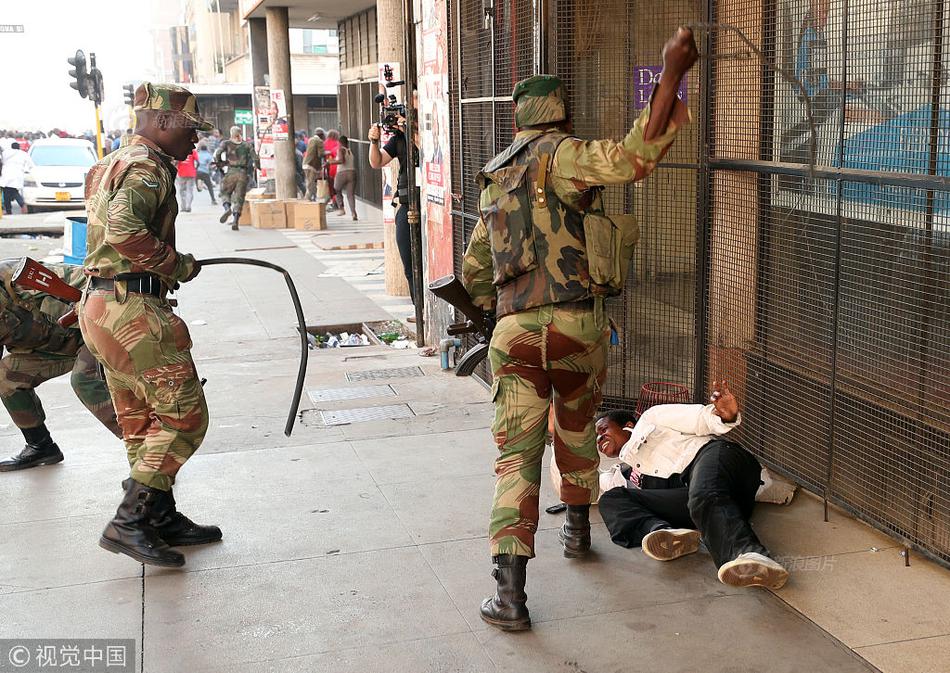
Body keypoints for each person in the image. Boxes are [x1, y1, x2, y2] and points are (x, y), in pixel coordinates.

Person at [458, 27, 697, 631]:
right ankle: (576, 531)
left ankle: (509, 598)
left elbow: (474, 272)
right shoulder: (565, 156)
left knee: (516, 459)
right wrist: (671, 75)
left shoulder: (495, 178)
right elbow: (632, 160)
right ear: (560, 114)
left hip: (513, 334)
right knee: (576, 425)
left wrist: (494, 315)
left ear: (516, 122)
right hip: (577, 328)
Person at [79, 82, 219, 568]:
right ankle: (128, 522)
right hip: (132, 310)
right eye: (190, 130)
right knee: (184, 417)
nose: (195, 141)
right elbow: (122, 231)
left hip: (103, 305)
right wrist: (175, 264)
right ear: (162, 122)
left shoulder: (110, 163)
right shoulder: (145, 167)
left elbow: (95, 239)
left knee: (142, 421)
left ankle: (158, 516)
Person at [595, 380, 790, 590]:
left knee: (703, 493)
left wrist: (726, 416)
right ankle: (664, 534)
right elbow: (580, 484)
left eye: (604, 429)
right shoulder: (624, 473)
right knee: (611, 499)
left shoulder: (652, 418)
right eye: (597, 437)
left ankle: (750, 554)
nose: (600, 438)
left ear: (628, 425)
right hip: (705, 507)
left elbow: (699, 419)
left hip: (718, 459)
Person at [0, 258, 121, 471]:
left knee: (84, 380)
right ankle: (41, 446)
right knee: (6, 377)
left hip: (97, 333)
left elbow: (101, 286)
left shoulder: (23, 276)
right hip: (56, 349)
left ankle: (148, 457)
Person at [368, 121, 420, 305]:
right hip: (406, 204)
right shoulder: (399, 138)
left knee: (426, 264)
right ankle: (419, 309)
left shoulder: (427, 130)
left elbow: (426, 151)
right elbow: (376, 161)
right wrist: (374, 141)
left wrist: (410, 131)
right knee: (410, 264)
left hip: (429, 206)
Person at [214, 125, 259, 231]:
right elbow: (255, 159)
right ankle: (235, 221)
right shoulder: (247, 145)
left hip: (231, 172)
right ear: (240, 134)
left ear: (231, 133)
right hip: (242, 173)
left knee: (225, 192)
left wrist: (220, 164)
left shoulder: (226, 143)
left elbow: (217, 154)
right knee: (239, 198)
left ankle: (227, 208)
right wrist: (258, 167)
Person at [328, 135, 357, 221]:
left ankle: (341, 208)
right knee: (350, 195)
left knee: (336, 189)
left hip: (342, 173)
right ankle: (353, 213)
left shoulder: (340, 150)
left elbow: (341, 161)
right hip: (352, 172)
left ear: (340, 142)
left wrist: (330, 162)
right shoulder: (350, 151)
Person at [1, 142, 35, 215]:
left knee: (7, 193)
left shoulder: (5, 153)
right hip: (18, 175)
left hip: (6, 175)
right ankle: (21, 205)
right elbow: (31, 165)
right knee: (13, 191)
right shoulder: (23, 154)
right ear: (19, 147)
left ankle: (10, 209)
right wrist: (26, 170)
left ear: (11, 147)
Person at [302, 127, 326, 201]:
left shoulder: (311, 139)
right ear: (321, 135)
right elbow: (321, 154)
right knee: (311, 184)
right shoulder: (319, 141)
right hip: (312, 165)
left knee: (311, 183)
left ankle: (313, 199)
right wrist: (327, 153)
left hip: (306, 164)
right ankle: (307, 200)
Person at [175, 148, 198, 212]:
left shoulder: (179, 151)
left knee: (182, 190)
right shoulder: (193, 151)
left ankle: (183, 207)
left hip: (182, 173)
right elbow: (198, 161)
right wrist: (195, 169)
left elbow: (175, 162)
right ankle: (188, 206)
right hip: (191, 173)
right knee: (189, 190)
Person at [323, 129, 340, 210]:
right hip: (338, 168)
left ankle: (333, 201)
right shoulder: (337, 144)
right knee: (337, 187)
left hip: (329, 168)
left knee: (331, 187)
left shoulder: (325, 143)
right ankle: (337, 202)